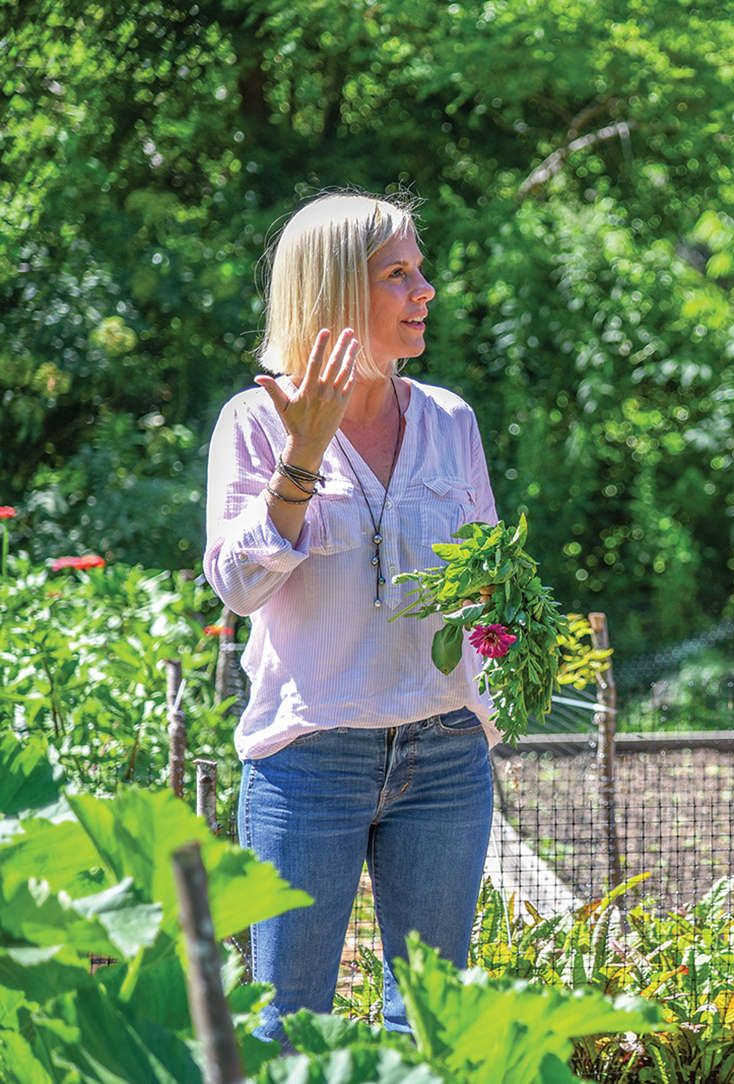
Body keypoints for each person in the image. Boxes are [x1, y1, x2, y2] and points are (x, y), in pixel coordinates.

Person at [204, 191, 499, 1050]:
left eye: (421, 269)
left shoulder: (449, 420)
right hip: (310, 760)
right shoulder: (256, 421)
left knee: (434, 1033)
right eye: (398, 274)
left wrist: (506, 643)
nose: (426, 290)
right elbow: (238, 585)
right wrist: (303, 456)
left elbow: (486, 583)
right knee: (289, 1030)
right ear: (334, 294)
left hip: (443, 751)